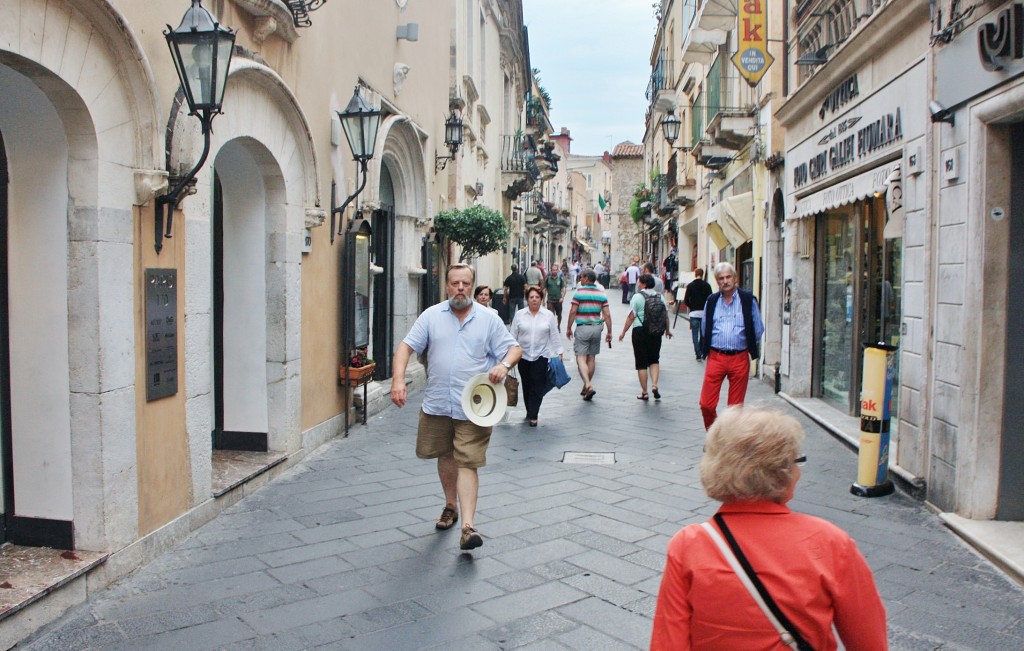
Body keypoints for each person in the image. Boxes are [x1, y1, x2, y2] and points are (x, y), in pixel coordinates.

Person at [650, 407, 887, 650]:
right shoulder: (830, 542)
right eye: (796, 462)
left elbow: (667, 642)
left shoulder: (689, 545)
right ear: (782, 471)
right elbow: (869, 643)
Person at [391, 263, 522, 551]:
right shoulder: (431, 316)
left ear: (472, 286)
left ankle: (468, 526)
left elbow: (514, 348)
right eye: (454, 283)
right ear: (447, 285)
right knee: (445, 455)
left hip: (476, 406)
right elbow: (405, 347)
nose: (459, 288)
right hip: (437, 402)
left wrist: (503, 365)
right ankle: (450, 505)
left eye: (465, 283)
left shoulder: (488, 319)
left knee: (467, 460)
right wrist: (398, 380)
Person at [699, 262, 764, 429]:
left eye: (728, 277)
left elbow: (758, 329)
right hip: (716, 356)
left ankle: (728, 442)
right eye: (721, 278)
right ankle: (715, 437)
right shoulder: (712, 301)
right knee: (706, 404)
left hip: (739, 357)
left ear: (735, 278)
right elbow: (705, 326)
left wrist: (745, 343)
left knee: (735, 409)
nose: (725, 281)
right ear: (717, 281)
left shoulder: (748, 300)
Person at [510, 286, 563, 427]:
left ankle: (533, 414)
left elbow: (554, 335)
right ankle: (529, 409)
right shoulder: (520, 315)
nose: (534, 299)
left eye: (537, 297)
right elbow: (513, 335)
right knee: (527, 384)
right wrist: (510, 353)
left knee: (537, 384)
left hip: (541, 355)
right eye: (531, 297)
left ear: (541, 299)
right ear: (527, 299)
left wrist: (559, 351)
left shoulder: (548, 315)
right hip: (523, 355)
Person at [618, 274, 672, 400]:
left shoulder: (637, 297)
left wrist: (623, 332)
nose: (637, 284)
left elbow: (631, 317)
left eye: (639, 282)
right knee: (654, 360)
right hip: (656, 332)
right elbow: (665, 316)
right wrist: (667, 331)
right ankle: (654, 385)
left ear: (643, 284)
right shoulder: (660, 297)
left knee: (641, 363)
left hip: (640, 331)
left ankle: (644, 392)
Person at [565, 268, 612, 401]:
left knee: (580, 357)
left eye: (581, 277)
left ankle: (588, 384)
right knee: (591, 358)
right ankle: (586, 387)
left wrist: (568, 327)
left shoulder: (579, 292)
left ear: (586, 278)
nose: (580, 279)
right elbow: (607, 314)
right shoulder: (602, 293)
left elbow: (573, 311)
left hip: (583, 327)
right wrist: (609, 331)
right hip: (597, 328)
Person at [683, 268, 713, 361]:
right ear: (703, 274)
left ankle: (698, 353)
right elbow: (710, 299)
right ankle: (702, 350)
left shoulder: (691, 286)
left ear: (695, 274)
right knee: (703, 334)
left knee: (695, 334)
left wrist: (691, 306)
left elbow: (686, 299)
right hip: (704, 313)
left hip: (694, 313)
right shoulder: (707, 285)